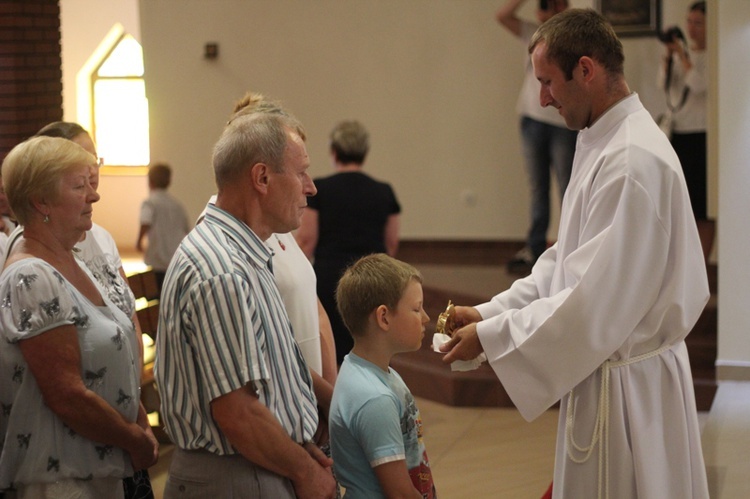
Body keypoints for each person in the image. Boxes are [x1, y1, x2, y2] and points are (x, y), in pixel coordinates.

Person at [441, 9, 709, 498]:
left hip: (630, 398)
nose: (542, 99)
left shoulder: (632, 161)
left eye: (547, 82)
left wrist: (493, 336)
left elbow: (588, 302)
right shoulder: (601, 137)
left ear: (586, 69)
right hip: (612, 379)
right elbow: (566, 263)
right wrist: (488, 311)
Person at [154, 108, 337, 498]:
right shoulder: (221, 269)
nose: (311, 187)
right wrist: (305, 471)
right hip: (233, 476)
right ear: (262, 177)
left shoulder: (248, 253)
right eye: (301, 172)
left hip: (259, 464)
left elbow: (270, 371)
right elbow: (239, 414)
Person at [0, 137, 158, 498]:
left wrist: (136, 418)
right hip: (62, 479)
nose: (94, 195)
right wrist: (135, 438)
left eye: (90, 183)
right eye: (78, 186)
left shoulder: (74, 259)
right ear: (42, 201)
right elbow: (66, 394)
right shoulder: (32, 277)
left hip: (98, 468)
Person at [329, 253, 436, 499]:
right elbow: (399, 494)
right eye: (417, 309)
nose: (426, 318)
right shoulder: (374, 398)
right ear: (384, 317)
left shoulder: (372, 373)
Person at [297, 120, 401, 365]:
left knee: (332, 348)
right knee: (369, 347)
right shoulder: (384, 191)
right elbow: (392, 243)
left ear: (334, 152)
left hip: (329, 279)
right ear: (365, 152)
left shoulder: (320, 189)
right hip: (374, 279)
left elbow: (306, 241)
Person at [496, 0, 578, 274]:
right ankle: (535, 250)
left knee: (568, 188)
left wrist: (559, 15)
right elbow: (502, 15)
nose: (547, 9)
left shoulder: (571, 36)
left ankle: (571, 249)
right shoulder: (535, 33)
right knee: (537, 188)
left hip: (563, 121)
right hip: (532, 119)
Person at [657, 1, 712, 258]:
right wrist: (669, 57)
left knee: (702, 205)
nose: (692, 28)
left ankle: (702, 264)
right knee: (681, 204)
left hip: (701, 136)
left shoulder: (712, 56)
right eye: (689, 22)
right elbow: (662, 85)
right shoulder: (680, 56)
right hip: (678, 134)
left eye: (698, 23)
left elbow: (700, 85)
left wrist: (682, 56)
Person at [136, 162, 190, 291]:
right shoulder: (177, 205)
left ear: (150, 181)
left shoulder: (150, 202)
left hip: (158, 258)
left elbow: (145, 222)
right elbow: (186, 229)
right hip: (175, 258)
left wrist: (139, 241)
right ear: (169, 181)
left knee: (156, 292)